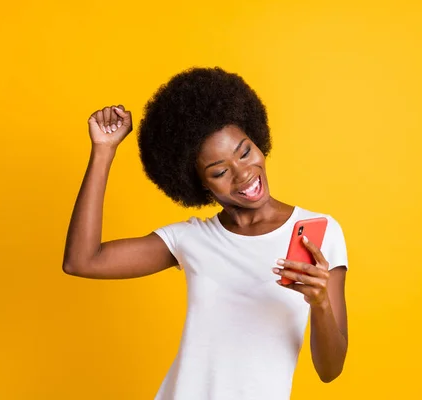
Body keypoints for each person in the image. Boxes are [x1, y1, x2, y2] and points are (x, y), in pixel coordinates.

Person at [62, 67, 349, 400]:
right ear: (199, 184)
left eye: (245, 152)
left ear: (258, 140)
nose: (243, 174)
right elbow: (82, 261)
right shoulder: (191, 239)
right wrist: (103, 150)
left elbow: (330, 370)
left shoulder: (320, 234)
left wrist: (320, 304)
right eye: (220, 171)